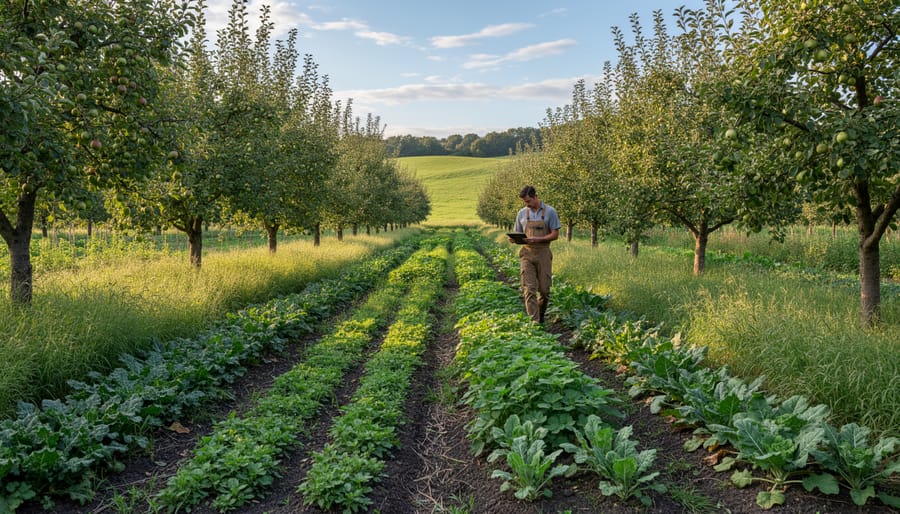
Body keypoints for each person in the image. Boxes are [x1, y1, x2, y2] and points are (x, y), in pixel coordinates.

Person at [510, 185, 560, 323]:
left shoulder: (550, 212)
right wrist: (514, 239)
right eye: (525, 202)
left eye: (528, 201)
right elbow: (518, 232)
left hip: (543, 253)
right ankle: (534, 322)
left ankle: (541, 314)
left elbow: (555, 234)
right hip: (527, 253)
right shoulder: (521, 213)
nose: (527, 204)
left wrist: (539, 239)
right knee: (529, 288)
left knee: (545, 290)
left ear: (535, 197)